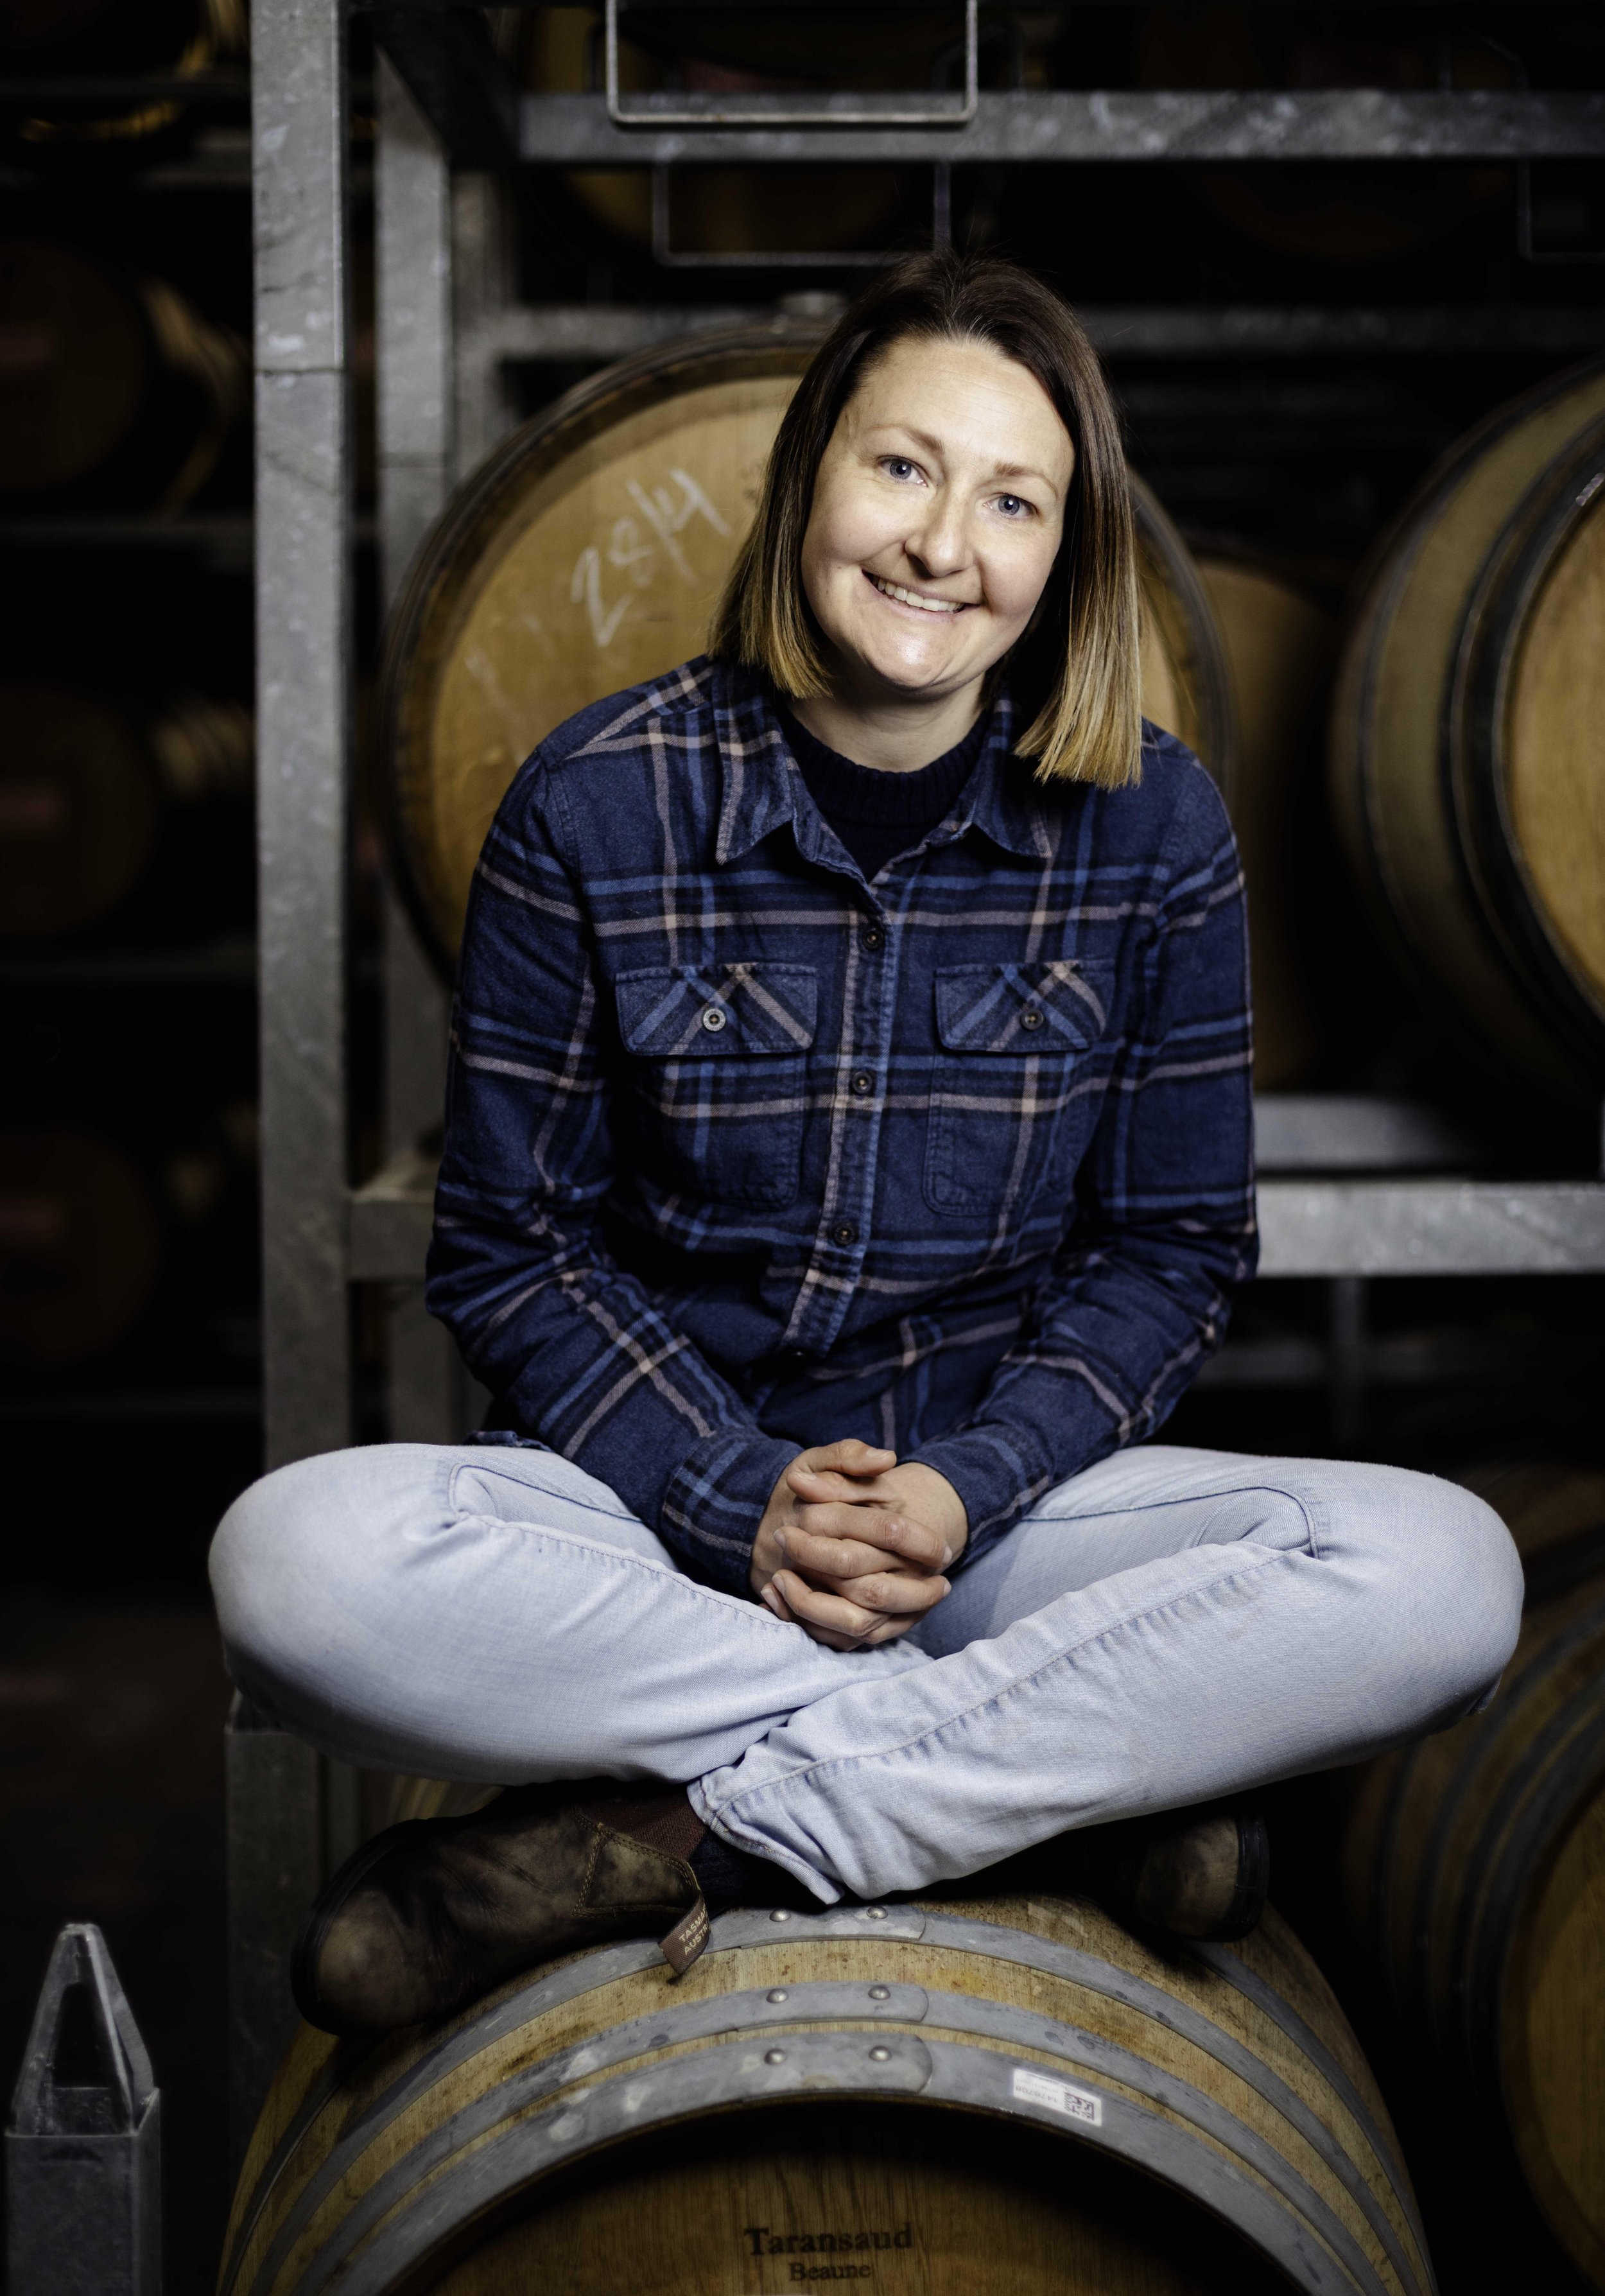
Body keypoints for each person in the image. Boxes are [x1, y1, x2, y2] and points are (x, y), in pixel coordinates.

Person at [211, 250, 1522, 2039]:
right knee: (292, 1566)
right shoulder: (594, 802)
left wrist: (965, 1486)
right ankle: (1048, 1789)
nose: (940, 545)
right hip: (654, 1540)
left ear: (1063, 553)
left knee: (1445, 1576)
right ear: (808, 475)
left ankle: (686, 1832)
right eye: (902, 466)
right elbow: (511, 1249)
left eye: (1012, 501)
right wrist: (739, 1493)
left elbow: (1169, 1252)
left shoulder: (1151, 824)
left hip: (1005, 1528)